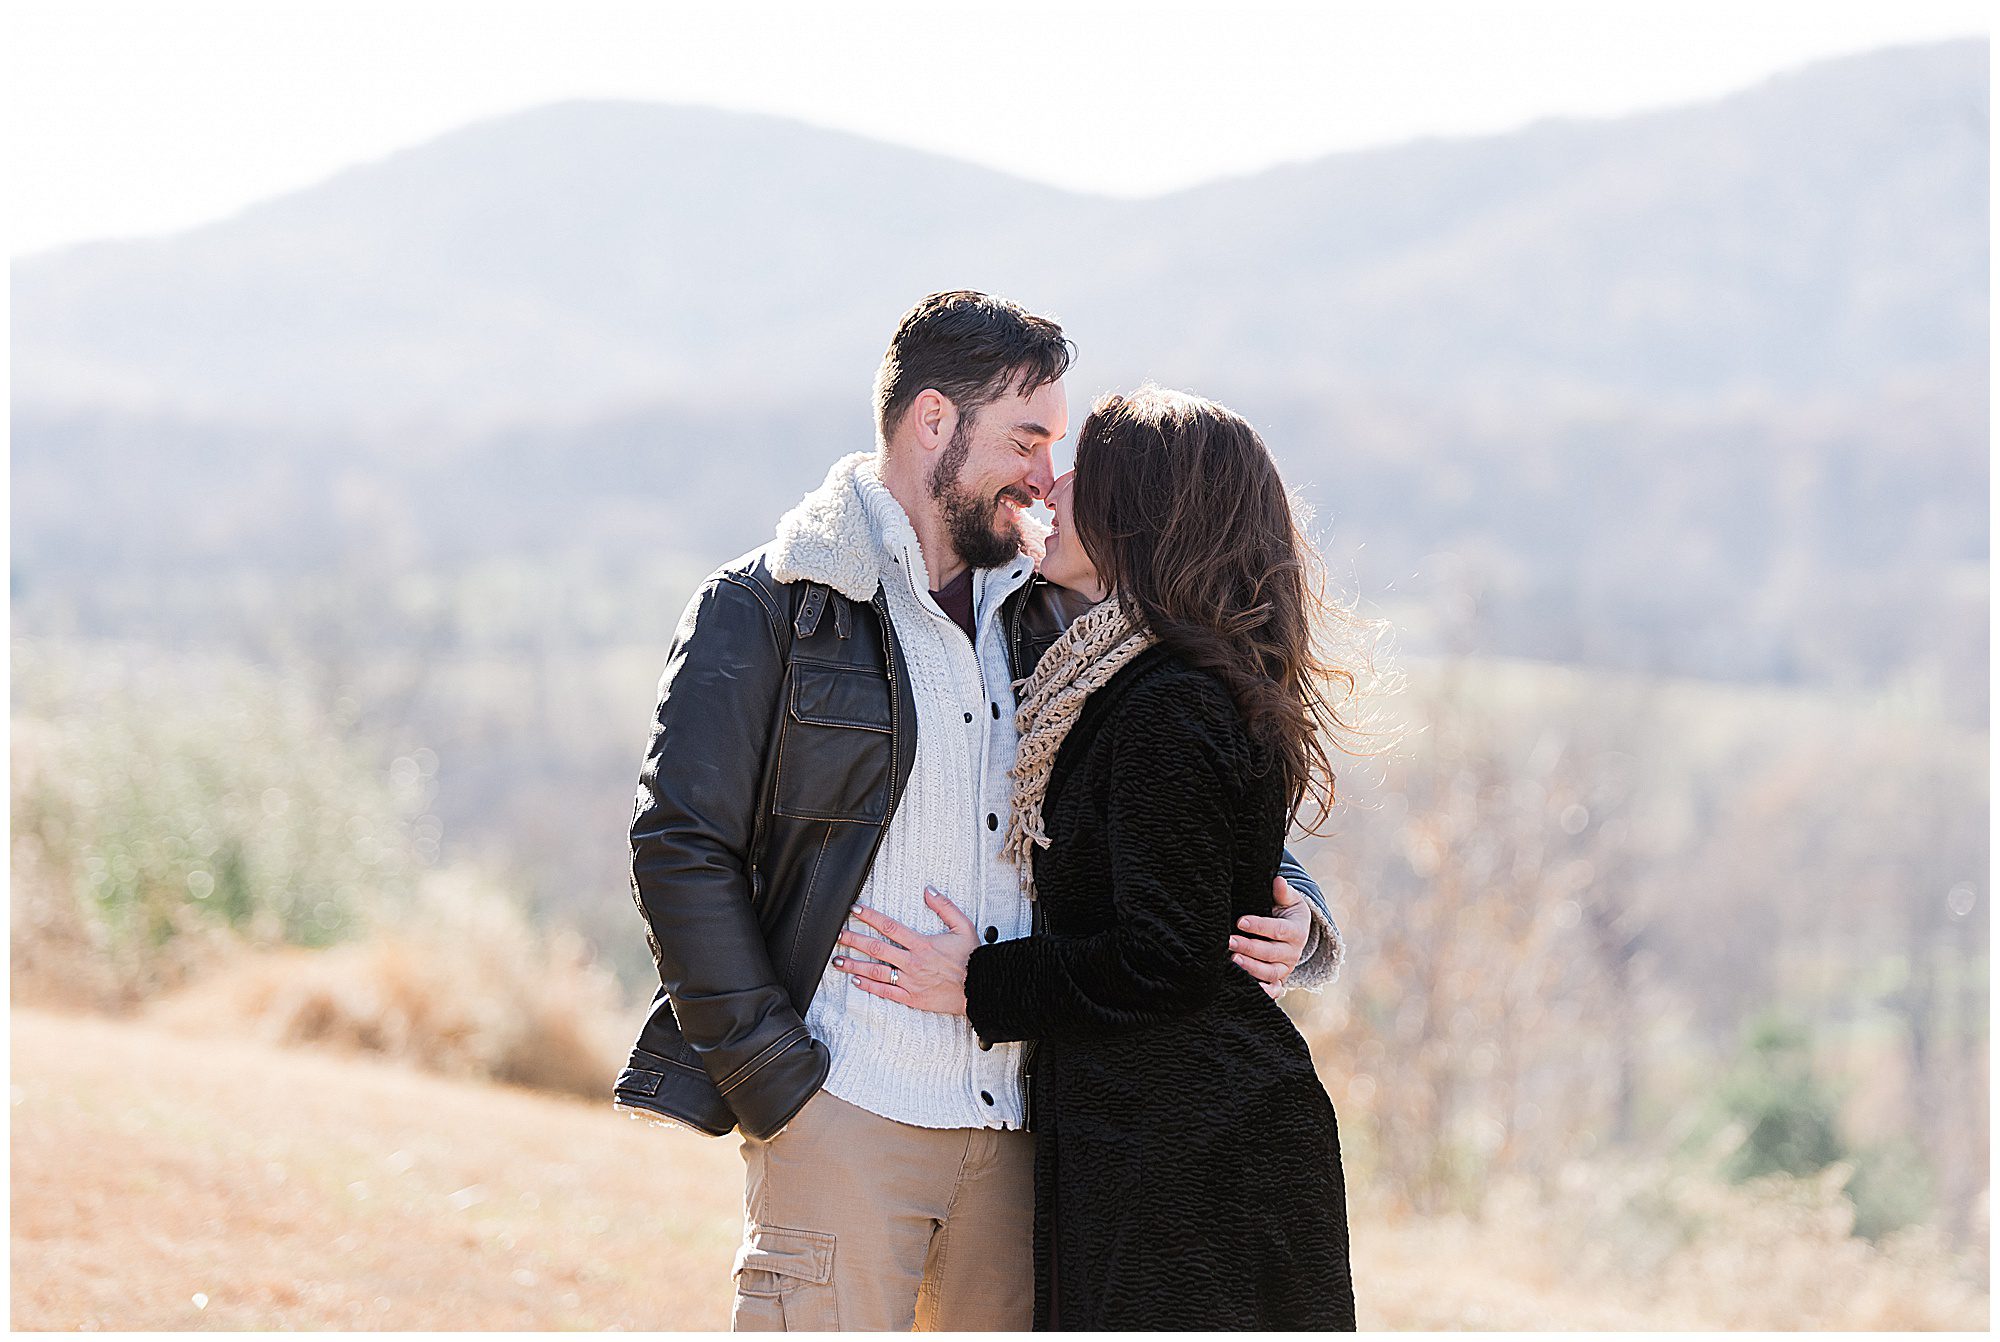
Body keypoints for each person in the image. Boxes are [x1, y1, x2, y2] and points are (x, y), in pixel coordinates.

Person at [614, 291, 1346, 1331]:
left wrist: (1303, 916)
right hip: (847, 1115)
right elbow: (679, 849)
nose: (1045, 475)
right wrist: (777, 1084)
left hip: (1030, 1139)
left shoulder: (1059, 612)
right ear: (931, 425)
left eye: (1057, 442)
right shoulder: (775, 604)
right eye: (1026, 439)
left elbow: (1189, 800)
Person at [833, 386, 1359, 1329]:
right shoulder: (1100, 669)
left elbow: (1167, 955)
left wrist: (979, 983)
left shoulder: (1165, 701)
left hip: (1193, 1160)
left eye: (1084, 472)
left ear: (1139, 518)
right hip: (1153, 1137)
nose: (1050, 486)